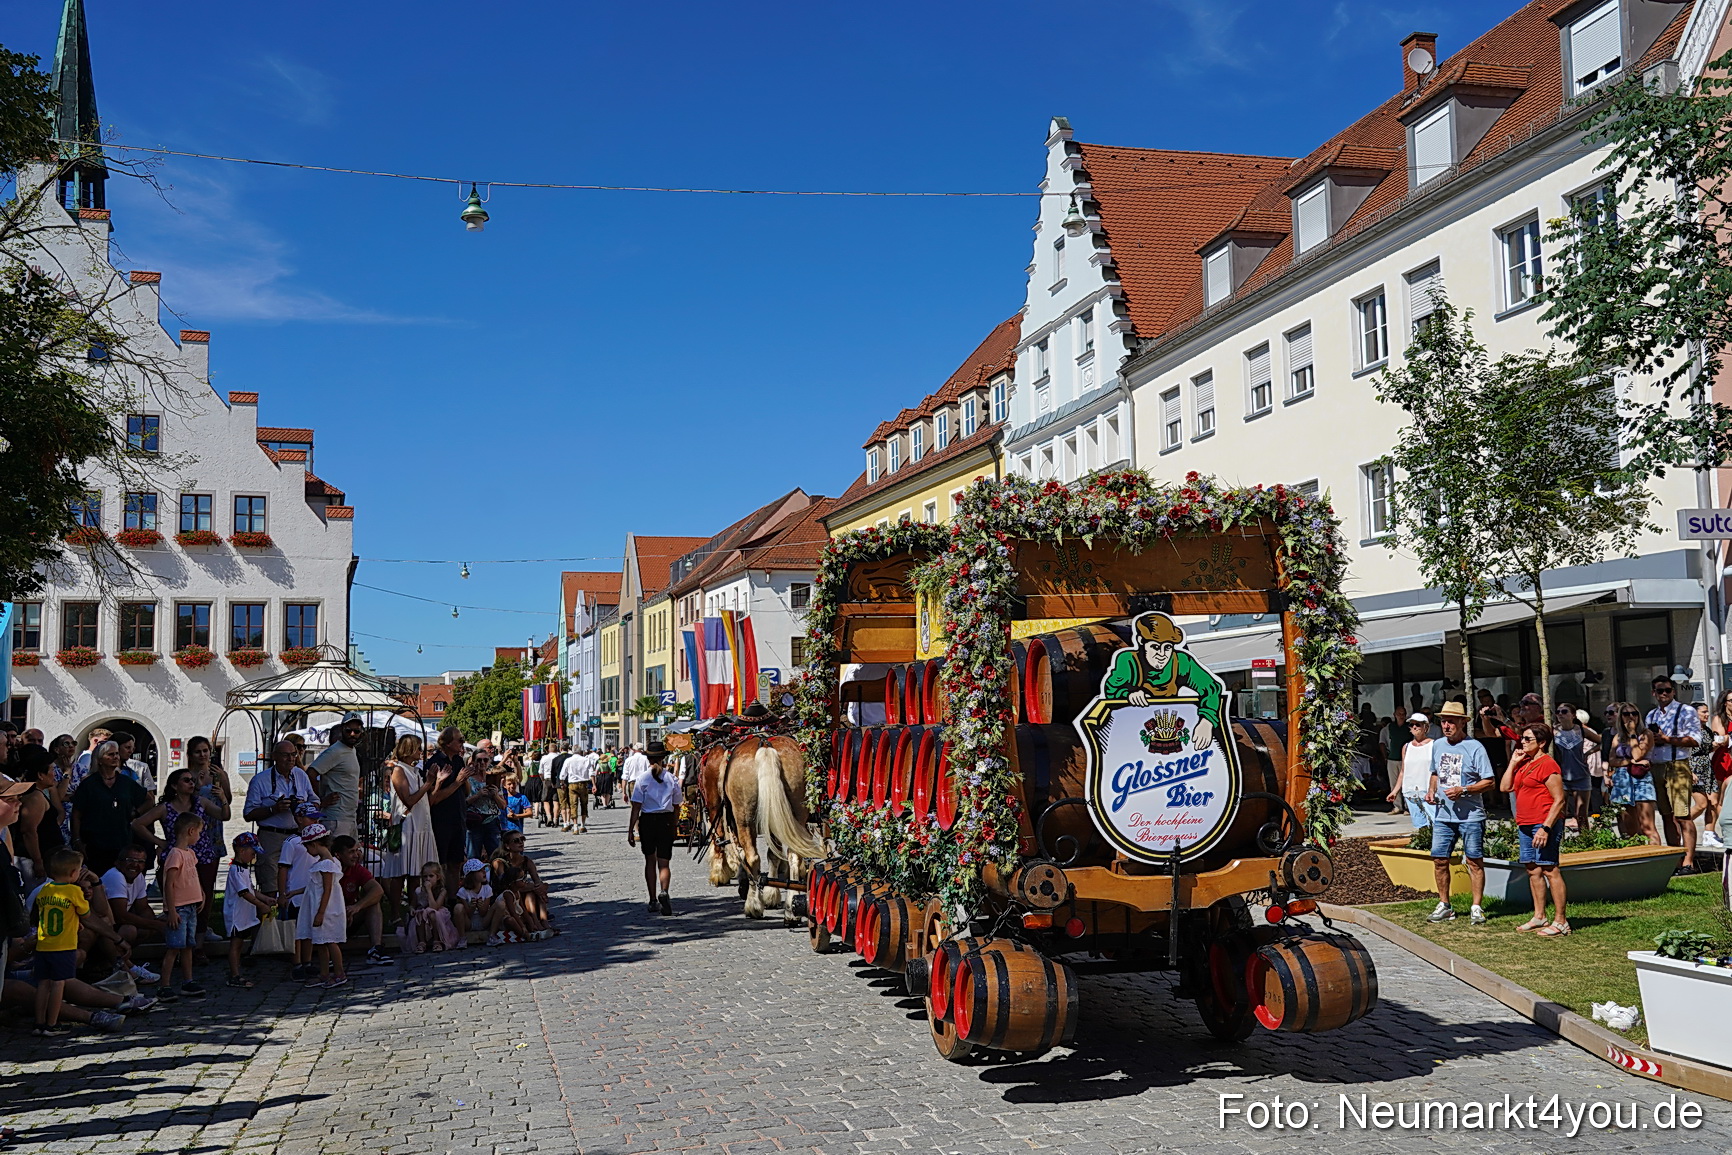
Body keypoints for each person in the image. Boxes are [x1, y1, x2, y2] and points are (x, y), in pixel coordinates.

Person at [131, 768, 228, 941]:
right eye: (186, 780)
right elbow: (138, 824)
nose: (191, 783)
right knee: (178, 898)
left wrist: (223, 799)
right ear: (174, 786)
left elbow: (223, 816)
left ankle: (198, 942)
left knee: (203, 898)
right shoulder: (165, 808)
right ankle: (178, 939)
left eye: (192, 780)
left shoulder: (201, 802)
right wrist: (159, 842)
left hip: (203, 856)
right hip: (176, 857)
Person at [1424, 700, 1494, 924]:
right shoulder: (1438, 745)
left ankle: (1476, 906)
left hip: (1471, 815)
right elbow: (1435, 773)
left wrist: (1464, 789)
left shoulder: (1475, 748)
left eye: (1451, 722)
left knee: (1474, 861)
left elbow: (1490, 782)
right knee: (1439, 859)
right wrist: (1431, 791)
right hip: (1444, 815)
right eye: (1444, 721)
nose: (1446, 726)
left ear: (1462, 723)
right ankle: (1445, 905)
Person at [1501, 722, 1569, 936]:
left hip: (1544, 823)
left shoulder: (1548, 765)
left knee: (1549, 868)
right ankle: (1539, 916)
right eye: (1522, 738)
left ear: (1542, 743)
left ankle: (1561, 921)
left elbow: (1559, 800)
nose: (1522, 742)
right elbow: (1505, 787)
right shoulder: (1524, 762)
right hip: (1525, 823)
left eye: (1527, 739)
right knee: (1533, 869)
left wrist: (1546, 828)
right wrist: (1513, 763)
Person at [242, 740, 317, 894]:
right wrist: (273, 809)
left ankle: (292, 916)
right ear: (274, 756)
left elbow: (315, 802)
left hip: (298, 836)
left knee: (297, 882)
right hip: (271, 836)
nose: (291, 759)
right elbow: (248, 814)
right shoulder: (260, 780)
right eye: (285, 755)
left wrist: (303, 808)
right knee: (270, 883)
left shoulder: (300, 775)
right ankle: (270, 915)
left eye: (293, 755)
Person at [31, 847, 90, 1037]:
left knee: (43, 984)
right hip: (63, 946)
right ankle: (52, 1023)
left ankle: (39, 1022)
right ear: (74, 873)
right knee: (58, 984)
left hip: (43, 944)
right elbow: (85, 913)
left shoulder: (45, 890)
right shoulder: (73, 891)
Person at [1645, 674, 1701, 872]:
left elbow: (1695, 740)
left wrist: (1668, 739)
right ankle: (1675, 860)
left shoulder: (1685, 711)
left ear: (1673, 691)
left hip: (1677, 765)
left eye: (1668, 690)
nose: (1664, 694)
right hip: (1656, 765)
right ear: (1654, 693)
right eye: (1660, 691)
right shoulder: (1651, 715)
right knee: (1666, 816)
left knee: (1683, 815)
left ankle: (1688, 862)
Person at [70, 740, 152, 875]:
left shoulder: (126, 782)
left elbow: (149, 800)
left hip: (121, 841)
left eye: (117, 754)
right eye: (110, 754)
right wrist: (77, 839)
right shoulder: (89, 784)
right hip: (95, 843)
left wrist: (135, 813)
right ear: (100, 759)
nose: (116, 757)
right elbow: (77, 814)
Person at [380, 735, 437, 925]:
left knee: (416, 872)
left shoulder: (414, 771)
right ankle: (395, 913)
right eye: (418, 749)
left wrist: (435, 782)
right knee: (401, 873)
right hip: (407, 826)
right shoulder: (398, 771)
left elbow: (424, 799)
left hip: (420, 824)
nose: (421, 753)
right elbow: (409, 800)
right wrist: (428, 783)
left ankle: (413, 910)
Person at [159, 812, 208, 1000]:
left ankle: (188, 981)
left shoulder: (191, 854)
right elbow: (169, 883)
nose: (199, 836)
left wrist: (201, 893)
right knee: (174, 947)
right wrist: (171, 910)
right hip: (178, 908)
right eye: (199, 832)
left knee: (188, 945)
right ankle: (165, 985)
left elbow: (192, 875)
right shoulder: (175, 855)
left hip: (191, 906)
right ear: (190, 831)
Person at [628, 744, 682, 916]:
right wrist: (674, 825)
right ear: (663, 758)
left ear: (648, 759)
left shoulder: (642, 779)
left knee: (650, 861)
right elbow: (677, 806)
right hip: (666, 820)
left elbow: (636, 807)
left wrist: (631, 830)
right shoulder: (671, 779)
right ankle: (664, 892)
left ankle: (652, 899)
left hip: (648, 821)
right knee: (664, 862)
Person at [185, 736, 232, 931]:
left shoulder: (218, 774)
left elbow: (227, 799)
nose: (203, 755)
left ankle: (204, 926)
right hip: (192, 830)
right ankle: (189, 923)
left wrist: (222, 786)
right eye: (198, 751)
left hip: (213, 828)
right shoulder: (186, 775)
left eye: (205, 751)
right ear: (191, 754)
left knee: (207, 884)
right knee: (188, 883)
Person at [331, 834, 392, 967]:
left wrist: (357, 907)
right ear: (338, 855)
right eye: (351, 852)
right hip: (330, 918)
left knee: (373, 903)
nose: (356, 855)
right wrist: (341, 913)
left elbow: (378, 890)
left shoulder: (356, 868)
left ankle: (376, 949)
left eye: (357, 851)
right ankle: (329, 953)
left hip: (350, 916)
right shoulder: (328, 869)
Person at [426, 727, 473, 893]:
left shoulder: (459, 760)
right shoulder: (435, 763)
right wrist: (458, 782)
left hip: (458, 818)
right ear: (446, 743)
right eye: (459, 740)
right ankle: (440, 900)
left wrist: (465, 779)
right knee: (441, 864)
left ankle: (452, 900)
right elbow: (434, 798)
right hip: (441, 820)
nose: (462, 742)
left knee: (456, 863)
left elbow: (465, 792)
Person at [223, 833, 272, 988]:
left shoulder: (243, 870)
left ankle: (235, 971)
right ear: (241, 850)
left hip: (244, 915)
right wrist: (260, 905)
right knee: (235, 945)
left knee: (239, 944)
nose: (253, 856)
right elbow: (244, 893)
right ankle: (234, 975)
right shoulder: (235, 871)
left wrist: (265, 898)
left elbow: (250, 890)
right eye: (252, 852)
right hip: (236, 915)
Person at [299, 828, 347, 988]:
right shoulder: (324, 862)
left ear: (313, 844)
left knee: (330, 941)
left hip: (327, 910)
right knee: (320, 942)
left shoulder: (327, 864)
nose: (307, 851)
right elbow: (314, 886)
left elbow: (327, 889)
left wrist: (320, 913)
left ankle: (339, 972)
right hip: (319, 908)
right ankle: (324, 974)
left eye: (307, 847)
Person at [1608, 700, 1660, 844]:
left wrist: (1632, 734)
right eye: (1626, 714)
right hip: (1623, 781)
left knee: (1647, 827)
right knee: (1629, 827)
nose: (1631, 717)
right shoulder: (1617, 737)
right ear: (1621, 717)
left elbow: (1638, 754)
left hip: (1641, 780)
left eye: (1634, 713)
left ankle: (1657, 859)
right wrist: (1629, 762)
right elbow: (1612, 760)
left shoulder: (1645, 734)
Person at [15, 745, 66, 887]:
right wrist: (38, 861)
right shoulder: (35, 797)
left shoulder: (39, 794)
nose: (54, 774)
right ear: (40, 774)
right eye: (51, 770)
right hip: (34, 861)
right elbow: (29, 831)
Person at [103, 845, 168, 951]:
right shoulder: (115, 876)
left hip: (115, 925)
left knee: (149, 928)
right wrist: (156, 925)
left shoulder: (139, 877)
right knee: (130, 930)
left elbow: (143, 908)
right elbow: (120, 916)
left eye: (140, 861)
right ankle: (114, 962)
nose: (135, 865)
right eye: (130, 860)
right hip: (103, 926)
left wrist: (156, 922)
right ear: (118, 862)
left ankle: (122, 959)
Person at [311, 715, 364, 838]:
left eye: (356, 731)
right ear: (342, 730)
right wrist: (320, 800)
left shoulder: (351, 750)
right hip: (336, 818)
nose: (352, 734)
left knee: (351, 856)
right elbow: (311, 773)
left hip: (348, 817)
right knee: (338, 856)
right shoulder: (335, 751)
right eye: (348, 730)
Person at [1551, 704, 1599, 835]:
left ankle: (1585, 840)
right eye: (1558, 712)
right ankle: (1560, 841)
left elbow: (1601, 741)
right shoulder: (1553, 731)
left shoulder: (1581, 730)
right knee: (1561, 811)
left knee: (1581, 812)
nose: (1560, 714)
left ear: (1573, 715)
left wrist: (1588, 753)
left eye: (1564, 711)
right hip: (1561, 776)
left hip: (1581, 774)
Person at [491, 830, 553, 932]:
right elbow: (505, 885)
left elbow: (537, 881)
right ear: (507, 846)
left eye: (522, 839)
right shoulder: (499, 862)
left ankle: (544, 922)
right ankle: (535, 922)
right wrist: (533, 887)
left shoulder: (526, 861)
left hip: (523, 893)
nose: (521, 842)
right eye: (516, 841)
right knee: (530, 891)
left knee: (534, 892)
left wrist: (541, 887)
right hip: (507, 896)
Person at [1386, 713, 1434, 830]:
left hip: (1428, 792)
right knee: (1420, 826)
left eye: (1418, 724)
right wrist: (1395, 791)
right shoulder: (1407, 747)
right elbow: (1403, 771)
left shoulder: (1434, 745)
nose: (1414, 727)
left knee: (1435, 824)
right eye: (1411, 725)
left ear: (1425, 727)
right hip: (1411, 792)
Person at [406, 862, 461, 953]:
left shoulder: (442, 891)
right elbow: (413, 904)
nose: (428, 879)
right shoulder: (418, 891)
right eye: (425, 876)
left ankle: (437, 941)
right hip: (423, 915)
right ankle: (421, 942)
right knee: (420, 914)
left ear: (438, 877)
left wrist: (428, 891)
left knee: (431, 913)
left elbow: (434, 907)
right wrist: (412, 909)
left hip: (437, 914)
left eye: (431, 876)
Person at [463, 754, 507, 861]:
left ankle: (495, 877)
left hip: (492, 821)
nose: (482, 763)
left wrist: (495, 795)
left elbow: (503, 805)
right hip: (474, 822)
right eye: (479, 760)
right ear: (473, 762)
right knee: (473, 857)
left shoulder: (494, 778)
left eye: (485, 760)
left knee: (496, 857)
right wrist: (477, 795)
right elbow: (463, 804)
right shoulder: (467, 781)